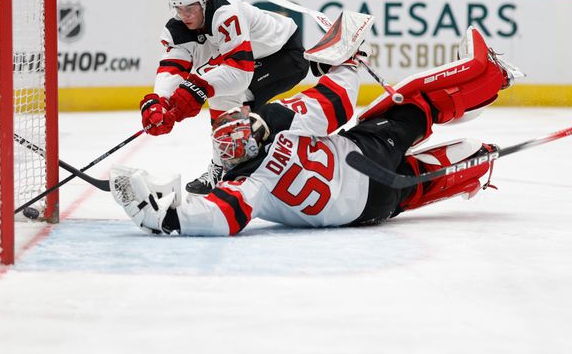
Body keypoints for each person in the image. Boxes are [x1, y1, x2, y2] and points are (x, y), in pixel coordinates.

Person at [115, 26, 523, 236]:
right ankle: (491, 76)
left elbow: (226, 215)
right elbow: (336, 100)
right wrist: (346, 58)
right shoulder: (280, 122)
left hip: (367, 210)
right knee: (413, 106)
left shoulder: (245, 184)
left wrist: (164, 217)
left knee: (410, 188)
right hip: (369, 153)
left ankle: (476, 163)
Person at [140, 0, 309, 195]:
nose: (184, 15)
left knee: (231, 99)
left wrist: (196, 89)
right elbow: (173, 67)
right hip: (255, 60)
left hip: (284, 56)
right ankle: (237, 164)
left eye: (190, 7)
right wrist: (160, 101)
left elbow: (240, 72)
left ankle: (228, 168)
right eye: (179, 8)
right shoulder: (178, 27)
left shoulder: (226, 14)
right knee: (227, 102)